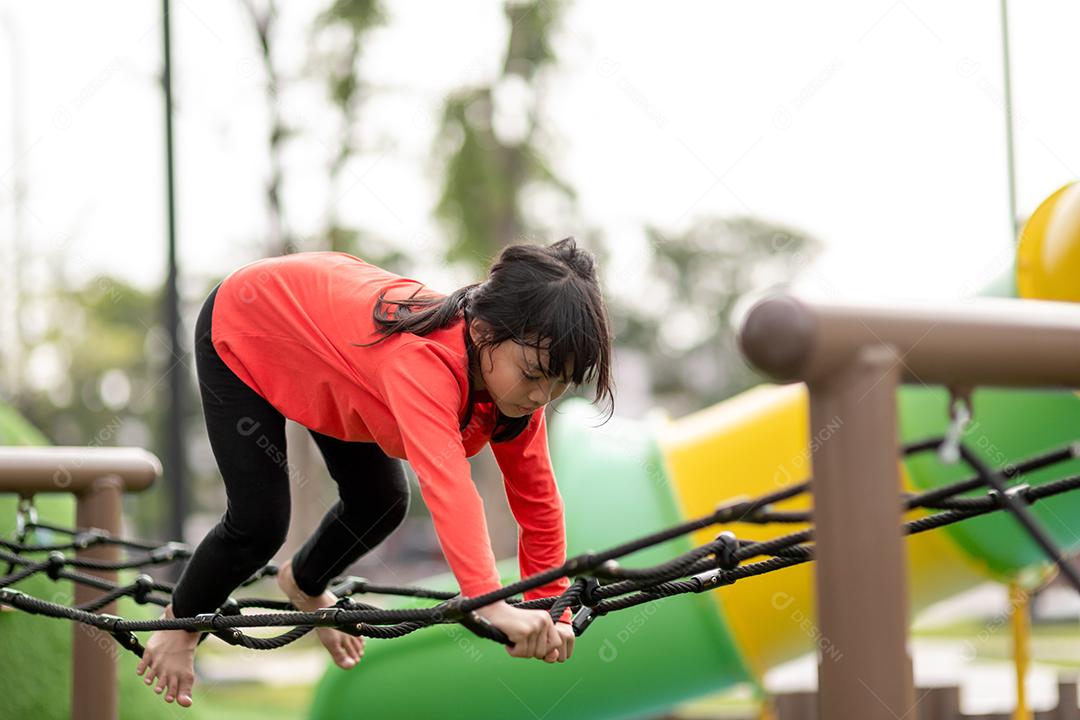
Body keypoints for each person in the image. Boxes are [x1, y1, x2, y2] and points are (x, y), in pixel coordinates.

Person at [135, 237, 614, 707]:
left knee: (382, 501)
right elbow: (450, 489)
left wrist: (552, 608)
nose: (541, 396)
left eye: (559, 382)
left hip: (330, 352)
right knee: (259, 525)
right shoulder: (423, 362)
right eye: (533, 374)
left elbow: (538, 504)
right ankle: (179, 624)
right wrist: (489, 604)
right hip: (247, 323)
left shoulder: (514, 394)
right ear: (486, 330)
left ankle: (303, 582)